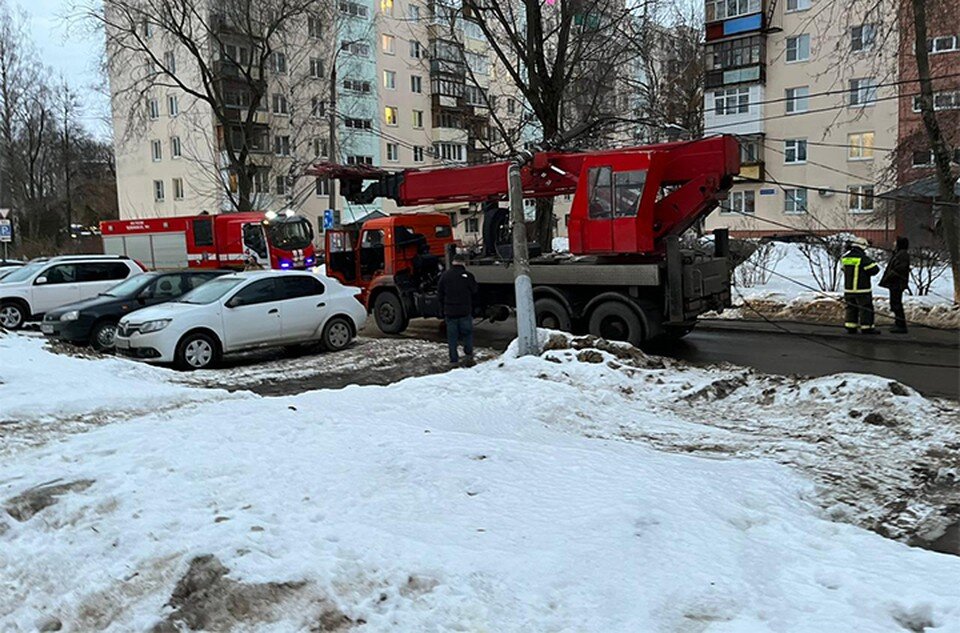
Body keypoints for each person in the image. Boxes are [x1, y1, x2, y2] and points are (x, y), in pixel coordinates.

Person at [437, 253, 479, 366]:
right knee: (467, 334)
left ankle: (453, 360)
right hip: (465, 311)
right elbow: (474, 290)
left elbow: (440, 294)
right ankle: (469, 356)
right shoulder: (468, 276)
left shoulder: (445, 276)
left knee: (452, 338)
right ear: (463, 263)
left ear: (453, 262)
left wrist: (442, 309)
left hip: (450, 312)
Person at [841, 236, 880, 335]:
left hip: (849, 290)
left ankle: (851, 327)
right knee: (865, 309)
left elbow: (843, 269)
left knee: (851, 308)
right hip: (862, 290)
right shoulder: (863, 259)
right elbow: (875, 270)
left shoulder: (845, 258)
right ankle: (866, 328)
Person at [880, 236, 911, 334]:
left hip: (897, 283)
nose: (893, 244)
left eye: (895, 243)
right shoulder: (899, 254)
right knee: (894, 303)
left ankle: (901, 325)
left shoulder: (902, 255)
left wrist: (889, 276)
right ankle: (898, 323)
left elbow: (899, 268)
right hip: (895, 283)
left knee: (897, 304)